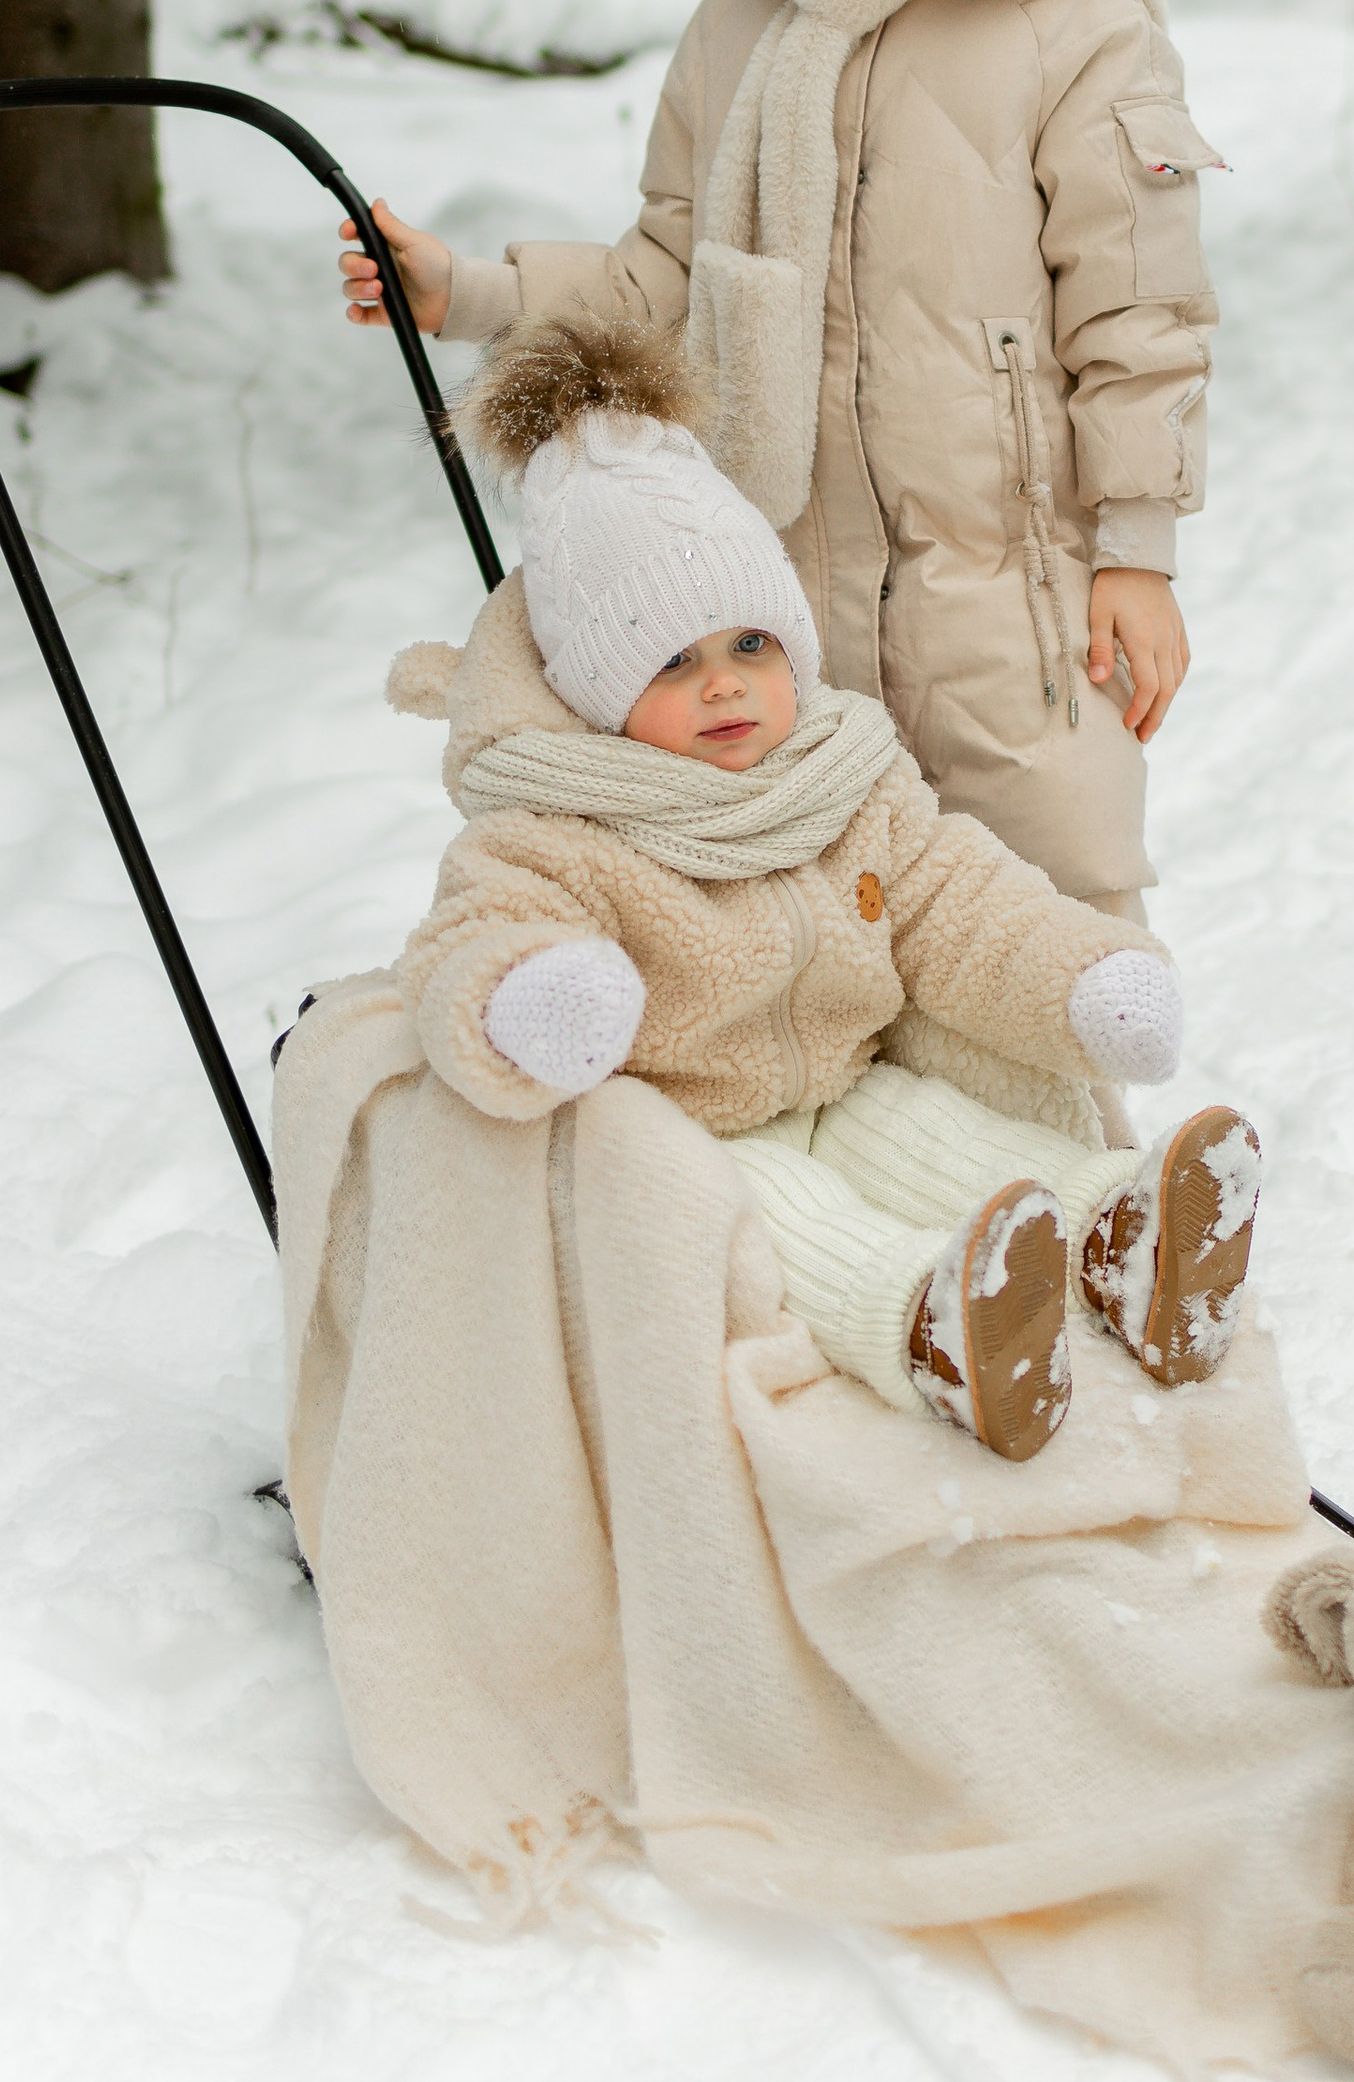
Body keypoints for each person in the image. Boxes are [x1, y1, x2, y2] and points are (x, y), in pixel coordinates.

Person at [336, 0, 1221, 929]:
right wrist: (470, 294)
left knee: (1042, 886)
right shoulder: (750, 18)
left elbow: (1143, 306)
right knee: (833, 903)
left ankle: (1097, 1135)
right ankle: (903, 1162)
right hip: (790, 570)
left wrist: (1138, 553)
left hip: (1009, 571)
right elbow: (668, 271)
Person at [391, 313, 1260, 1463]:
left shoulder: (842, 776)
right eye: (671, 664)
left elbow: (960, 902)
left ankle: (1125, 1233)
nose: (724, 690)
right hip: (693, 1134)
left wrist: (1082, 977)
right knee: (801, 1227)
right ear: (597, 689)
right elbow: (475, 937)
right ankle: (935, 1325)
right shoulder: (560, 826)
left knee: (944, 1134)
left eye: (749, 645)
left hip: (845, 1085)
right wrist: (538, 991)